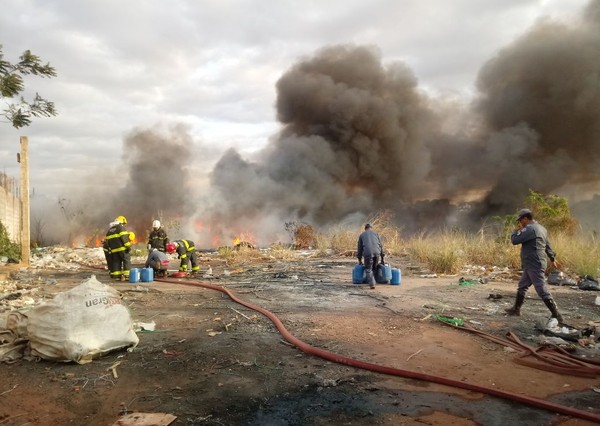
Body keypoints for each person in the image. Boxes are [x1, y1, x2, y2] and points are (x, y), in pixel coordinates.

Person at [506, 208, 564, 322]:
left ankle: (557, 315)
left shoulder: (530, 229)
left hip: (534, 263)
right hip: (533, 263)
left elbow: (515, 240)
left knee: (541, 289)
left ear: (526, 218)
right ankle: (516, 309)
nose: (520, 222)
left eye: (521, 220)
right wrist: (552, 258)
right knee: (522, 286)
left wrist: (515, 231)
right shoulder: (542, 228)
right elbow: (547, 245)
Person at [357, 223, 385, 289]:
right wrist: (382, 258)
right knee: (374, 268)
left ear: (365, 228)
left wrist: (359, 259)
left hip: (368, 253)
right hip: (377, 253)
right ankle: (374, 281)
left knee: (368, 269)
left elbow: (360, 248)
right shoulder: (377, 234)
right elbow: (381, 246)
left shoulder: (362, 235)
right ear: (371, 228)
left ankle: (372, 284)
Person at [105, 215, 132, 281]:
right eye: (123, 224)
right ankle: (127, 275)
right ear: (121, 222)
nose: (123, 225)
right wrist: (128, 246)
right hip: (122, 249)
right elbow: (124, 238)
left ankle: (117, 276)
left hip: (114, 250)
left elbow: (107, 242)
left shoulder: (110, 230)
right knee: (126, 260)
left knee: (116, 262)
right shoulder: (120, 228)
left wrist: (110, 250)